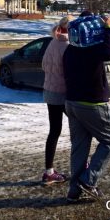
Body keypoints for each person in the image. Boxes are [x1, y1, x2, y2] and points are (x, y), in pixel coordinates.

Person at [63, 11, 110, 202]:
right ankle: (88, 180)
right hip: (92, 104)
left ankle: (74, 190)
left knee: (79, 147)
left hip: (72, 103)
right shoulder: (93, 50)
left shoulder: (71, 49)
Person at [40, 15, 73, 184]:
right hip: (64, 94)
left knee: (54, 131)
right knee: (78, 128)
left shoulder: (52, 42)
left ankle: (48, 171)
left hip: (49, 92)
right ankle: (81, 165)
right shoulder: (68, 46)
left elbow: (44, 65)